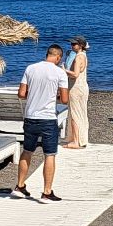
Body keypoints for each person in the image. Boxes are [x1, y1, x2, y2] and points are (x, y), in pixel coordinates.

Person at [13, 44, 71, 201]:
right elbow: (65, 100)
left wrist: (34, 96)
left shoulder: (31, 68)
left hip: (30, 117)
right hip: (48, 118)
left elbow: (21, 94)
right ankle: (46, 191)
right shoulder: (60, 72)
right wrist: (54, 97)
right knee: (49, 154)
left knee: (27, 150)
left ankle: (20, 185)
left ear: (47, 54)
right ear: (58, 57)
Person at [63, 36, 92, 149]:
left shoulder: (78, 57)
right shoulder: (84, 55)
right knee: (82, 113)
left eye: (74, 44)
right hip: (83, 86)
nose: (72, 46)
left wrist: (64, 70)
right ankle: (82, 139)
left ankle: (75, 141)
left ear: (80, 46)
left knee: (75, 114)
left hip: (75, 87)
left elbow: (75, 74)